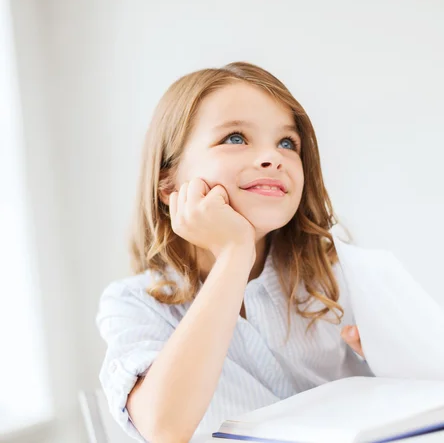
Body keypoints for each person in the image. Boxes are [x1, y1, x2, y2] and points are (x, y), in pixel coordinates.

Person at [96, 61, 373, 443]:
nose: (272, 157)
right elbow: (164, 427)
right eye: (236, 138)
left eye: (287, 143)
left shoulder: (337, 277)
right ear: (167, 182)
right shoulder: (133, 304)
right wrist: (233, 254)